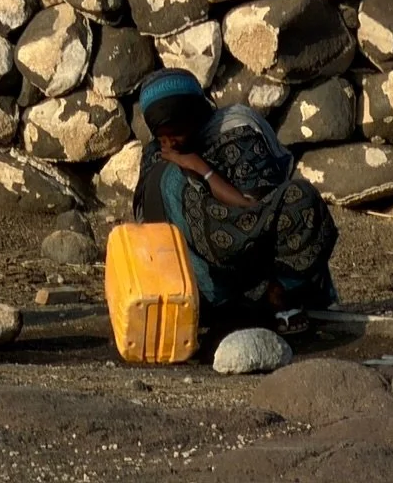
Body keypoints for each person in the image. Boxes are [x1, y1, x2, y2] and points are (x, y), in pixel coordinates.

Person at [131, 69, 337, 333]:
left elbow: (251, 206)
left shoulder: (236, 131)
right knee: (166, 179)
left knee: (302, 199)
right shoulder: (158, 155)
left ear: (196, 114)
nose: (171, 142)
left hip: (254, 248)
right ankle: (207, 303)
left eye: (178, 132)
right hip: (199, 272)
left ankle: (278, 293)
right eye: (162, 136)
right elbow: (146, 223)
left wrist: (199, 168)